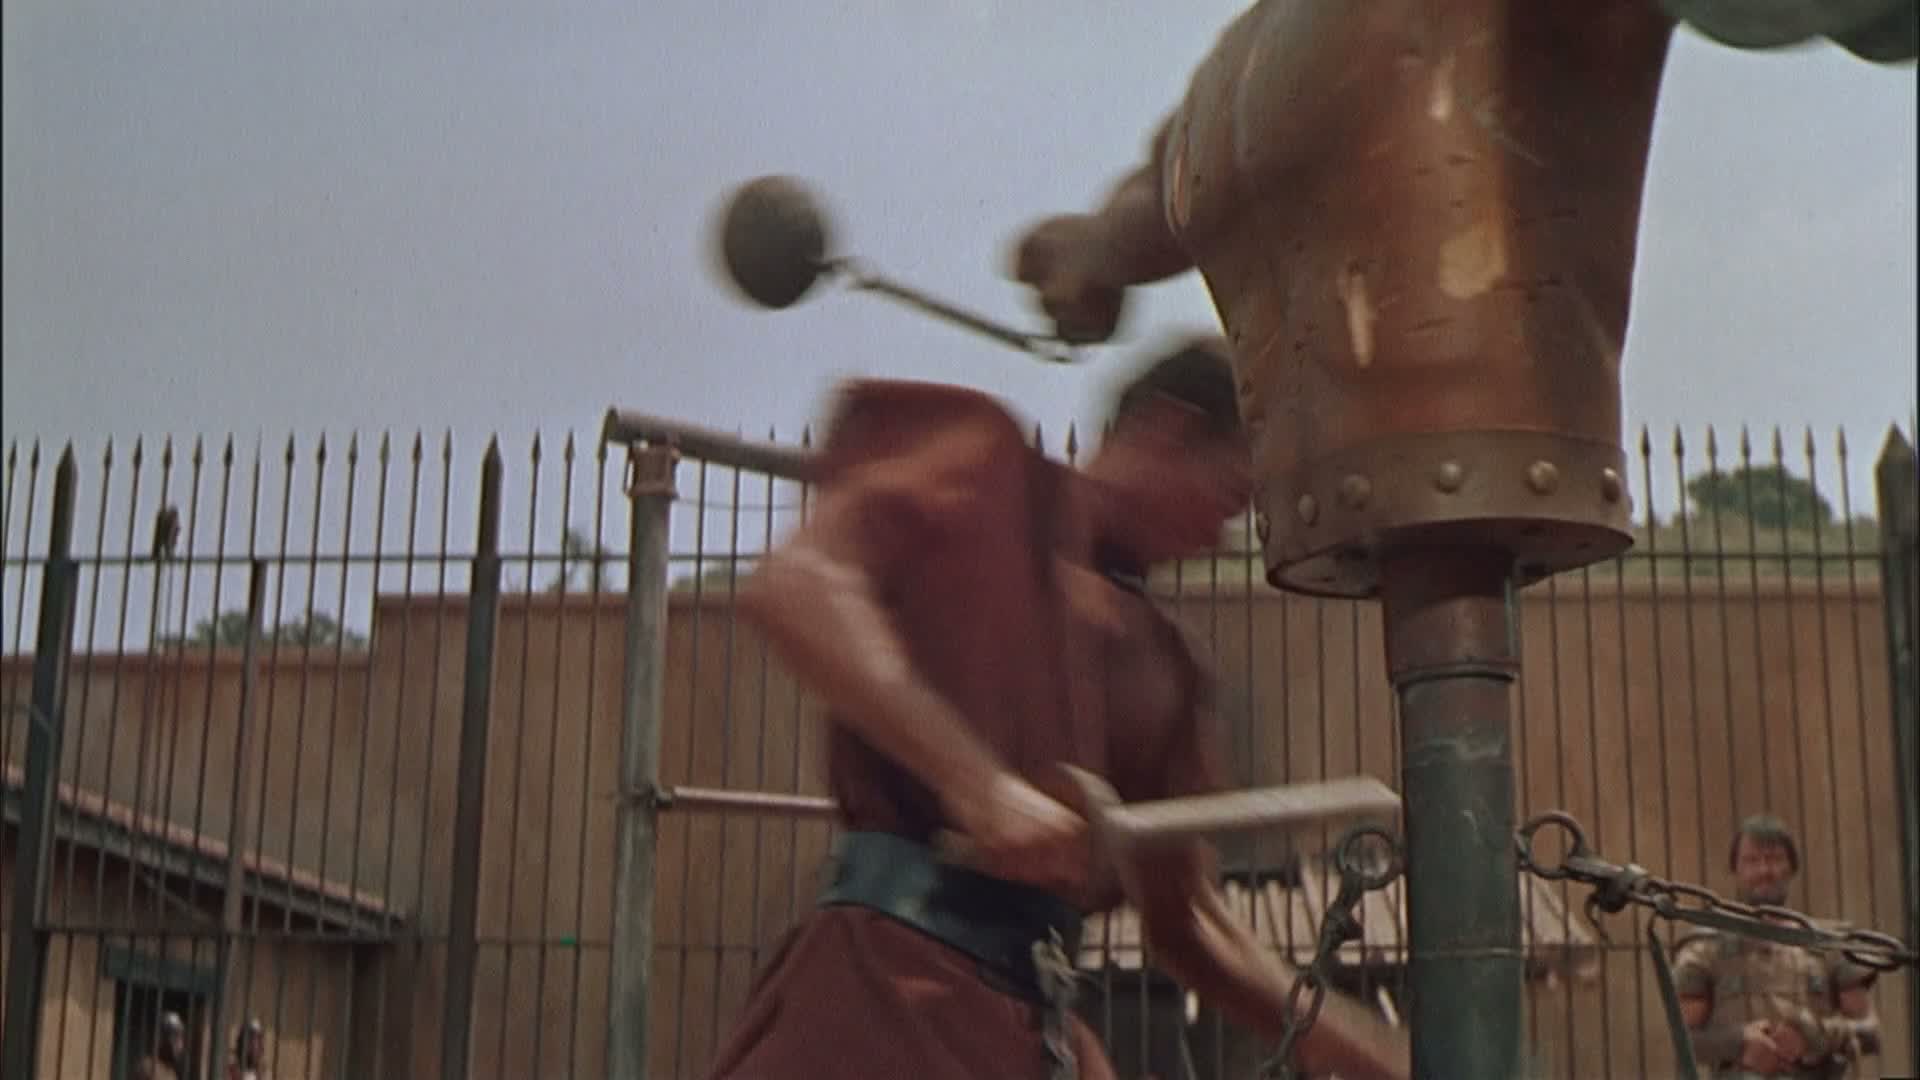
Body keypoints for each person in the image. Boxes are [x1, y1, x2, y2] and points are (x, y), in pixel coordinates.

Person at [704, 338, 1407, 1080]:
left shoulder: (1167, 664)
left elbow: (1190, 921)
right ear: (1166, 431)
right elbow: (797, 585)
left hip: (1029, 1022)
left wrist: (1367, 1047)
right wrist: (979, 786)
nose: (1217, 536)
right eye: (1227, 495)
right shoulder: (986, 466)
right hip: (883, 1000)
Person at [1673, 815, 1882, 1078]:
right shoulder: (1705, 948)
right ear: (1736, 869)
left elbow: (1871, 1033)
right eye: (1751, 860)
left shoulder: (1830, 945)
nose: (1764, 870)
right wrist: (1739, 1043)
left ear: (1791, 867)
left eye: (1774, 859)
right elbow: (1682, 1037)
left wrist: (1814, 1035)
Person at [132, 1011, 187, 1080]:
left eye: (180, 1038)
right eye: (175, 1037)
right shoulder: (148, 1067)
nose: (180, 1045)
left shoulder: (171, 1072)